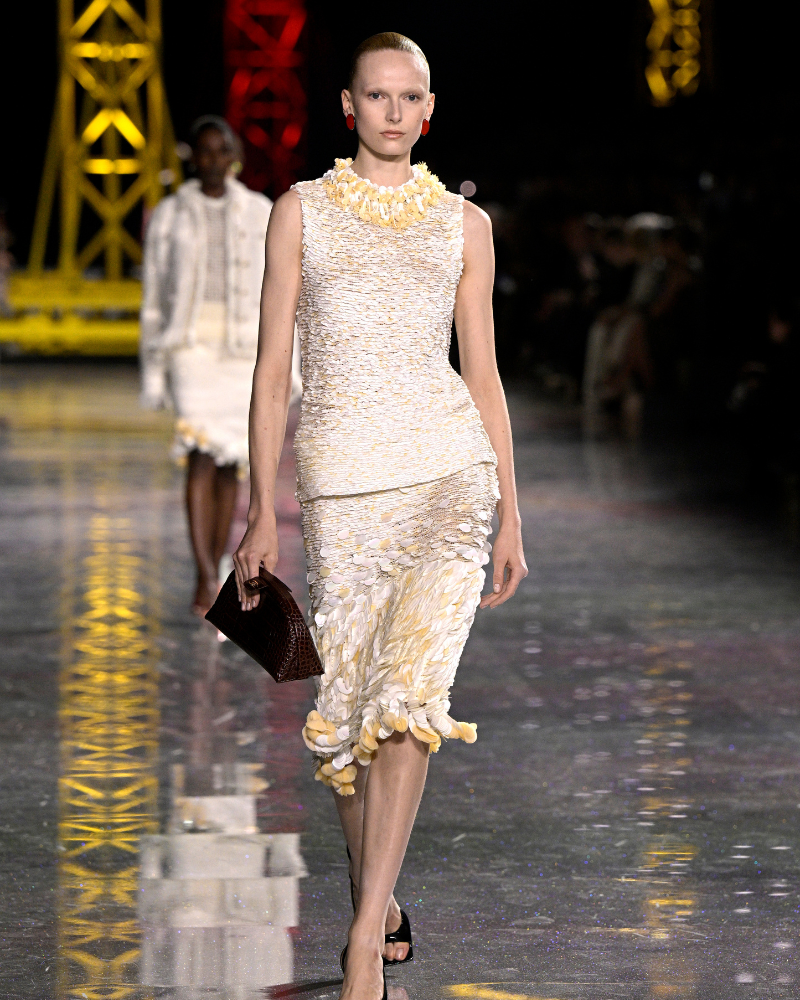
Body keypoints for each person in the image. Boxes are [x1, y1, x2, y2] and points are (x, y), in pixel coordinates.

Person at [233, 33, 527, 1000]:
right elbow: (273, 370)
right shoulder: (300, 213)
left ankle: (363, 943)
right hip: (342, 488)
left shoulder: (464, 225)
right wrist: (260, 510)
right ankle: (381, 900)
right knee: (349, 720)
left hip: (449, 479)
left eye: (410, 97)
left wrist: (510, 514)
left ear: (429, 110)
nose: (394, 112)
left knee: (407, 703)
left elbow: (483, 376)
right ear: (348, 107)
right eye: (377, 96)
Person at [139, 117, 300, 615]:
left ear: (235, 156)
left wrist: (289, 362)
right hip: (190, 345)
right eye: (204, 151)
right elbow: (154, 294)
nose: (213, 159)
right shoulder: (169, 215)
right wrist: (153, 367)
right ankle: (205, 572)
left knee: (231, 460)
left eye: (221, 150)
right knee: (200, 454)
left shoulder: (261, 210)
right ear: (193, 157)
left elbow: (284, 292)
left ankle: (217, 564)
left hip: (243, 348)